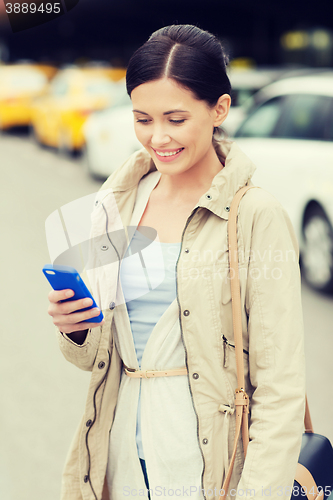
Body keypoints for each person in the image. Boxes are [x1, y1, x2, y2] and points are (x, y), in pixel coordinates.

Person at [47, 25, 306, 500]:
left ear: (219, 110)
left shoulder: (254, 215)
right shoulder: (116, 204)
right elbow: (95, 358)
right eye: (142, 119)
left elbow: (280, 388)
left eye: (175, 118)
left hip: (210, 468)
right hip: (119, 457)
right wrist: (76, 327)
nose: (158, 137)